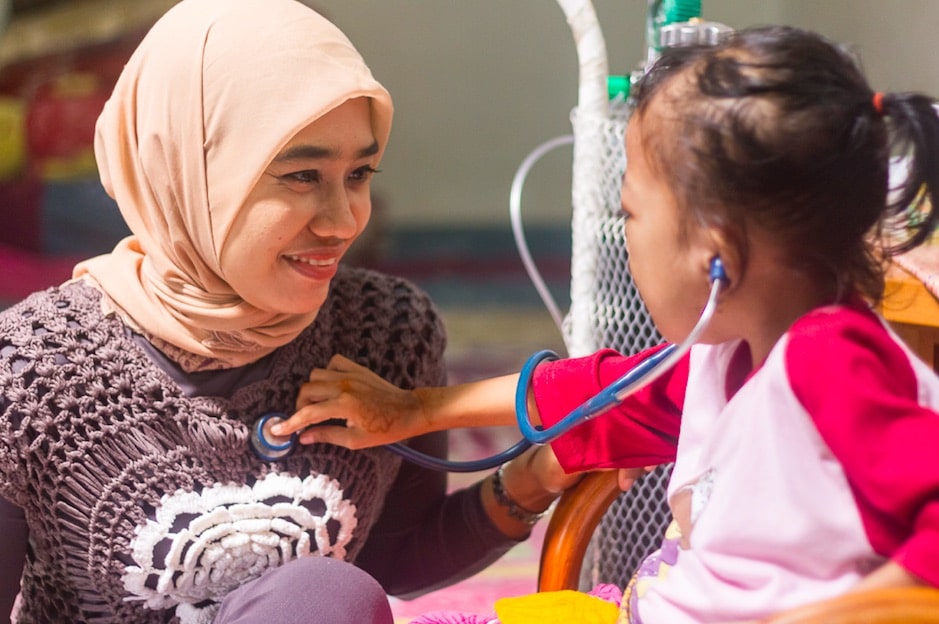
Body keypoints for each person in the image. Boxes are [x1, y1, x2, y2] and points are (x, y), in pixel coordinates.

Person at [279, 25, 939, 623]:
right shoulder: (728, 355)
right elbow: (595, 398)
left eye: (628, 213)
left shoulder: (829, 361)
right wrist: (413, 411)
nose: (625, 237)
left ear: (714, 252)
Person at [0, 1, 574, 622]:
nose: (346, 220)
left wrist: (535, 477)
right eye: (302, 176)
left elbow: (389, 565)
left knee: (328, 594)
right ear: (193, 173)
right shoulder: (35, 375)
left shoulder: (384, 334)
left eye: (359, 173)